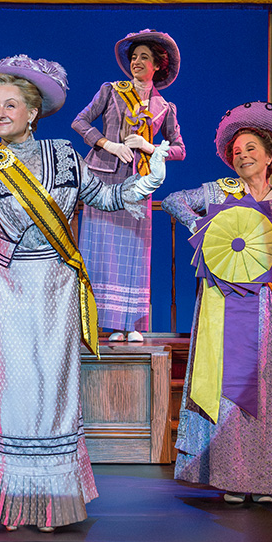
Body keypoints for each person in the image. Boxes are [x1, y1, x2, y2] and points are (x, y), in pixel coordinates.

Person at [0, 55, 170, 531]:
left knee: (53, 388)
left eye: (9, 105)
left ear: (33, 111)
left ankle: (52, 498)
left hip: (57, 287)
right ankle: (12, 498)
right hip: (9, 286)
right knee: (13, 389)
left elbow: (103, 197)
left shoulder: (63, 154)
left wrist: (147, 181)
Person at [162, 102, 272, 504]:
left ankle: (265, 480)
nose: (242, 156)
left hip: (267, 306)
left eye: (250, 149)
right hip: (222, 305)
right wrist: (204, 227)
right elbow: (175, 200)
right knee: (226, 383)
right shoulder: (221, 191)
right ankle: (230, 473)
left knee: (266, 385)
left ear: (269, 154)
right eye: (237, 151)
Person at [72, 29, 186, 342]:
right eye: (134, 57)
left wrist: (150, 148)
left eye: (144, 58)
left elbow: (179, 148)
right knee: (97, 252)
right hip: (102, 181)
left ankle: (129, 325)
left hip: (138, 186)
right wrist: (108, 144)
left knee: (134, 253)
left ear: (158, 66)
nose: (137, 62)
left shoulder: (164, 107)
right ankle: (91, 322)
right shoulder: (111, 91)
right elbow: (80, 122)